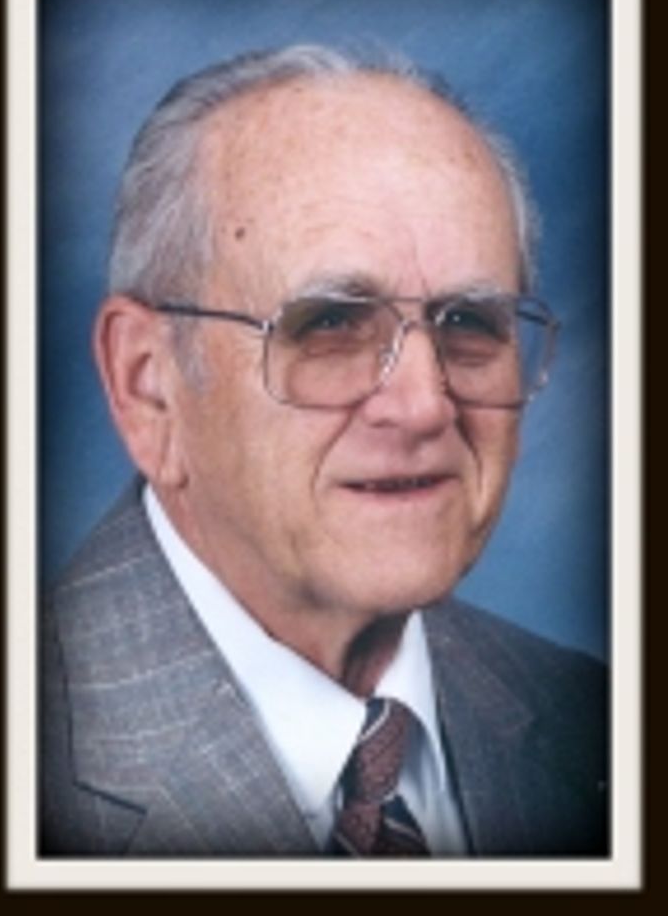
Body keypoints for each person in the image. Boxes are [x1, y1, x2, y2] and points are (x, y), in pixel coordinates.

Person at [39, 44, 608, 858]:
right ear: (148, 386)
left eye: (468, 323)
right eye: (330, 324)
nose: (422, 405)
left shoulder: (594, 724)